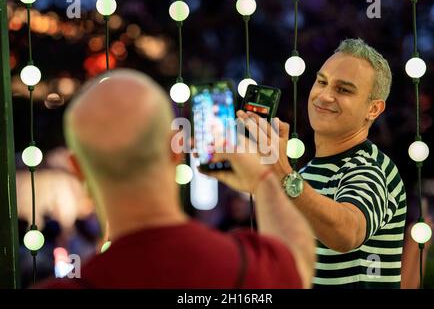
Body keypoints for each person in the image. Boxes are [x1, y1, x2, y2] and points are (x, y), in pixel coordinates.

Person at [34, 69, 316, 289]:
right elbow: (298, 261)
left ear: (78, 168)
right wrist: (265, 179)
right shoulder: (247, 268)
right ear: (176, 147)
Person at [233, 38, 407, 288]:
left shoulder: (369, 168)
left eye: (343, 90)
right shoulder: (306, 174)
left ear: (374, 109)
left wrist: (283, 173)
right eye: (322, 81)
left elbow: (347, 233)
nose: (324, 96)